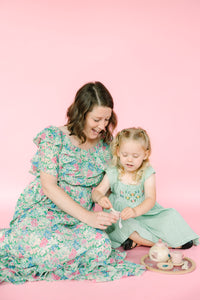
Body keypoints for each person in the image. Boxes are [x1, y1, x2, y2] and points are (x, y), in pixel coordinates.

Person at [0, 82, 146, 284]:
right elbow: (48, 186)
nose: (102, 125)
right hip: (45, 210)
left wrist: (113, 211)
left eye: (107, 119)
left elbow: (111, 184)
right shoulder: (54, 137)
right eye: (96, 119)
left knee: (102, 246)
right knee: (40, 244)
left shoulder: (107, 146)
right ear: (81, 113)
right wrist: (89, 217)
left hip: (78, 221)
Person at [92, 127, 199, 250]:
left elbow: (150, 199)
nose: (129, 159)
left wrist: (135, 211)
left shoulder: (147, 173)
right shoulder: (113, 171)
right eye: (125, 155)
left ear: (145, 154)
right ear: (117, 151)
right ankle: (164, 244)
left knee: (171, 214)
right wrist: (100, 198)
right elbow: (97, 192)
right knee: (126, 226)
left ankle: (135, 241)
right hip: (122, 215)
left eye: (135, 156)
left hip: (145, 212)